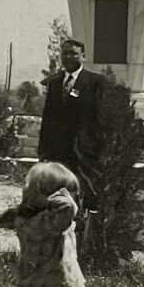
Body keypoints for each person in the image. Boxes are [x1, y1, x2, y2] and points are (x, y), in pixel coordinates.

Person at [6, 162, 98, 287]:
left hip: (35, 283)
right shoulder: (50, 222)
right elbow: (68, 208)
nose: (72, 198)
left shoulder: (30, 219)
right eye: (67, 192)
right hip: (53, 286)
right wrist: (62, 198)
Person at [39, 39, 106, 212]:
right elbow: (48, 118)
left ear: (83, 56)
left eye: (73, 53)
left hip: (84, 152)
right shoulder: (54, 82)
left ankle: (85, 234)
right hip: (57, 152)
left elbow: (100, 119)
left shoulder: (95, 82)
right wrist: (43, 150)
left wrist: (97, 148)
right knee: (57, 198)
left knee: (86, 198)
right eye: (65, 53)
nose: (68, 57)